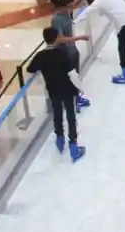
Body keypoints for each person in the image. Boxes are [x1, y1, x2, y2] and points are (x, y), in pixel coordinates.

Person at [27, 27, 86, 161]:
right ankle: (73, 145)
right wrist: (80, 87)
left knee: (57, 113)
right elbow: (72, 73)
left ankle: (60, 139)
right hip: (67, 88)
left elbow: (30, 68)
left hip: (53, 89)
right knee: (70, 115)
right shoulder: (62, 53)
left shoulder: (40, 56)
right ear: (56, 38)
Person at [52, 0, 91, 111]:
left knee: (76, 76)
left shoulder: (67, 14)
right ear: (63, 6)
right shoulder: (56, 20)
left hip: (72, 51)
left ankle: (77, 97)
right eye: (69, 6)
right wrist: (78, 38)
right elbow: (59, 38)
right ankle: (72, 101)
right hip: (65, 53)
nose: (72, 9)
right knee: (69, 78)